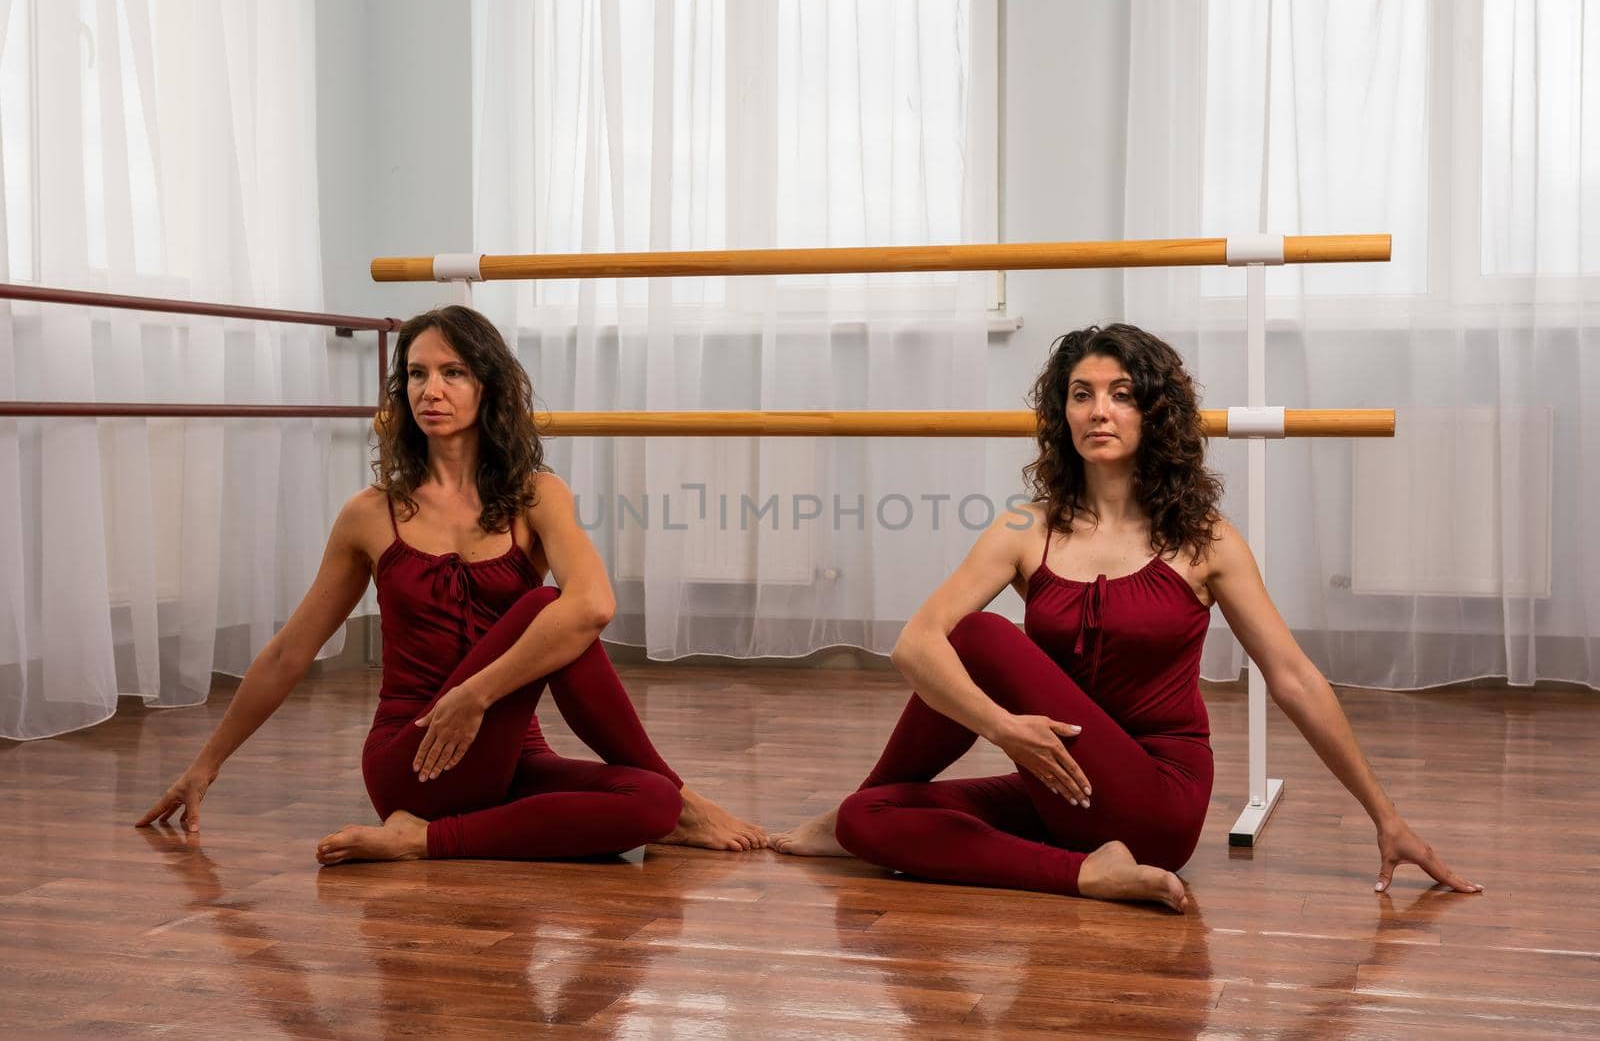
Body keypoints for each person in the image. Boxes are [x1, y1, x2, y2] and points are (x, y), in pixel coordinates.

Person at [772, 323, 1481, 911]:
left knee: (980, 635)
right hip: (1064, 780)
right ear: (1062, 414)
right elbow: (912, 645)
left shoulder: (1207, 540)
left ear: (1153, 413)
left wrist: (1387, 816)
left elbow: (1292, 678)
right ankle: (1079, 872)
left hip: (1157, 797)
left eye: (1120, 394)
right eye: (1081, 395)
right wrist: (1004, 729)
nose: (1098, 410)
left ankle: (1076, 859)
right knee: (875, 817)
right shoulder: (1028, 526)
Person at [138, 305, 767, 862]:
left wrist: (475, 697)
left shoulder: (536, 495)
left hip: (510, 755)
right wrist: (204, 767)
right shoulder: (370, 512)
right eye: (416, 374)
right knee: (548, 604)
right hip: (413, 757)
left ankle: (437, 839)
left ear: (487, 388)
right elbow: (288, 653)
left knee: (648, 802)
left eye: (453, 372)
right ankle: (429, 832)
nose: (430, 390)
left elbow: (596, 605)